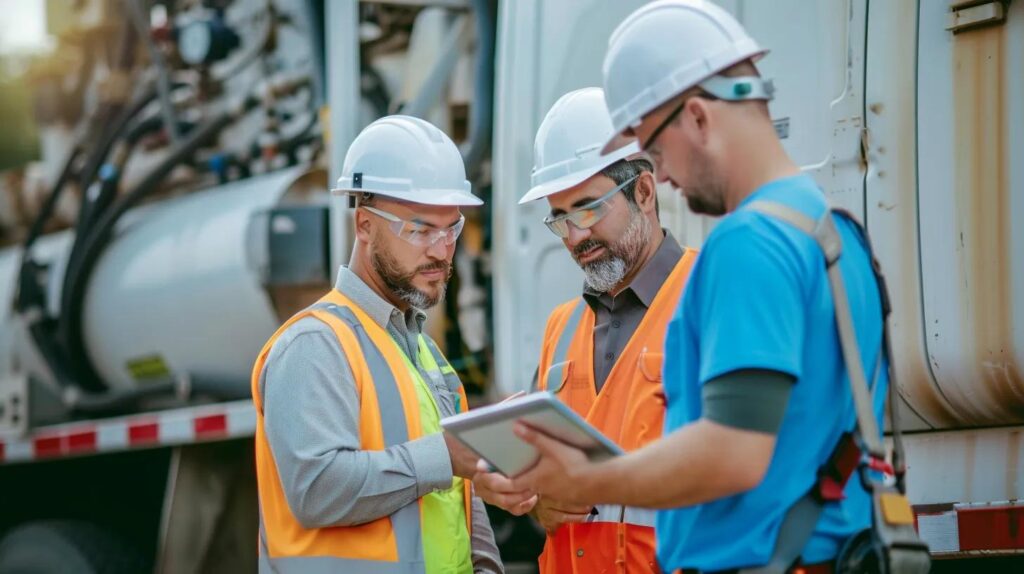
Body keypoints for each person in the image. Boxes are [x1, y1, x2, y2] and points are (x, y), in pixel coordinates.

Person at [503, 2, 890, 572]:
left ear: (699, 118)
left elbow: (733, 453)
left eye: (655, 150)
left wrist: (585, 477)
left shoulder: (748, 242)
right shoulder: (835, 234)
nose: (660, 176)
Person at [251, 115, 503, 574]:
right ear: (364, 225)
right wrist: (445, 456)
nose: (442, 251)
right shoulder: (315, 343)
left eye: (452, 228)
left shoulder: (425, 354)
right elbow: (316, 490)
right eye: (421, 229)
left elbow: (458, 500)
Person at [474, 87, 697, 573]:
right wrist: (536, 502)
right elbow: (544, 474)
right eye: (560, 218)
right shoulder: (563, 327)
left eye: (589, 209)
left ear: (643, 191)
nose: (574, 236)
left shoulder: (709, 298)